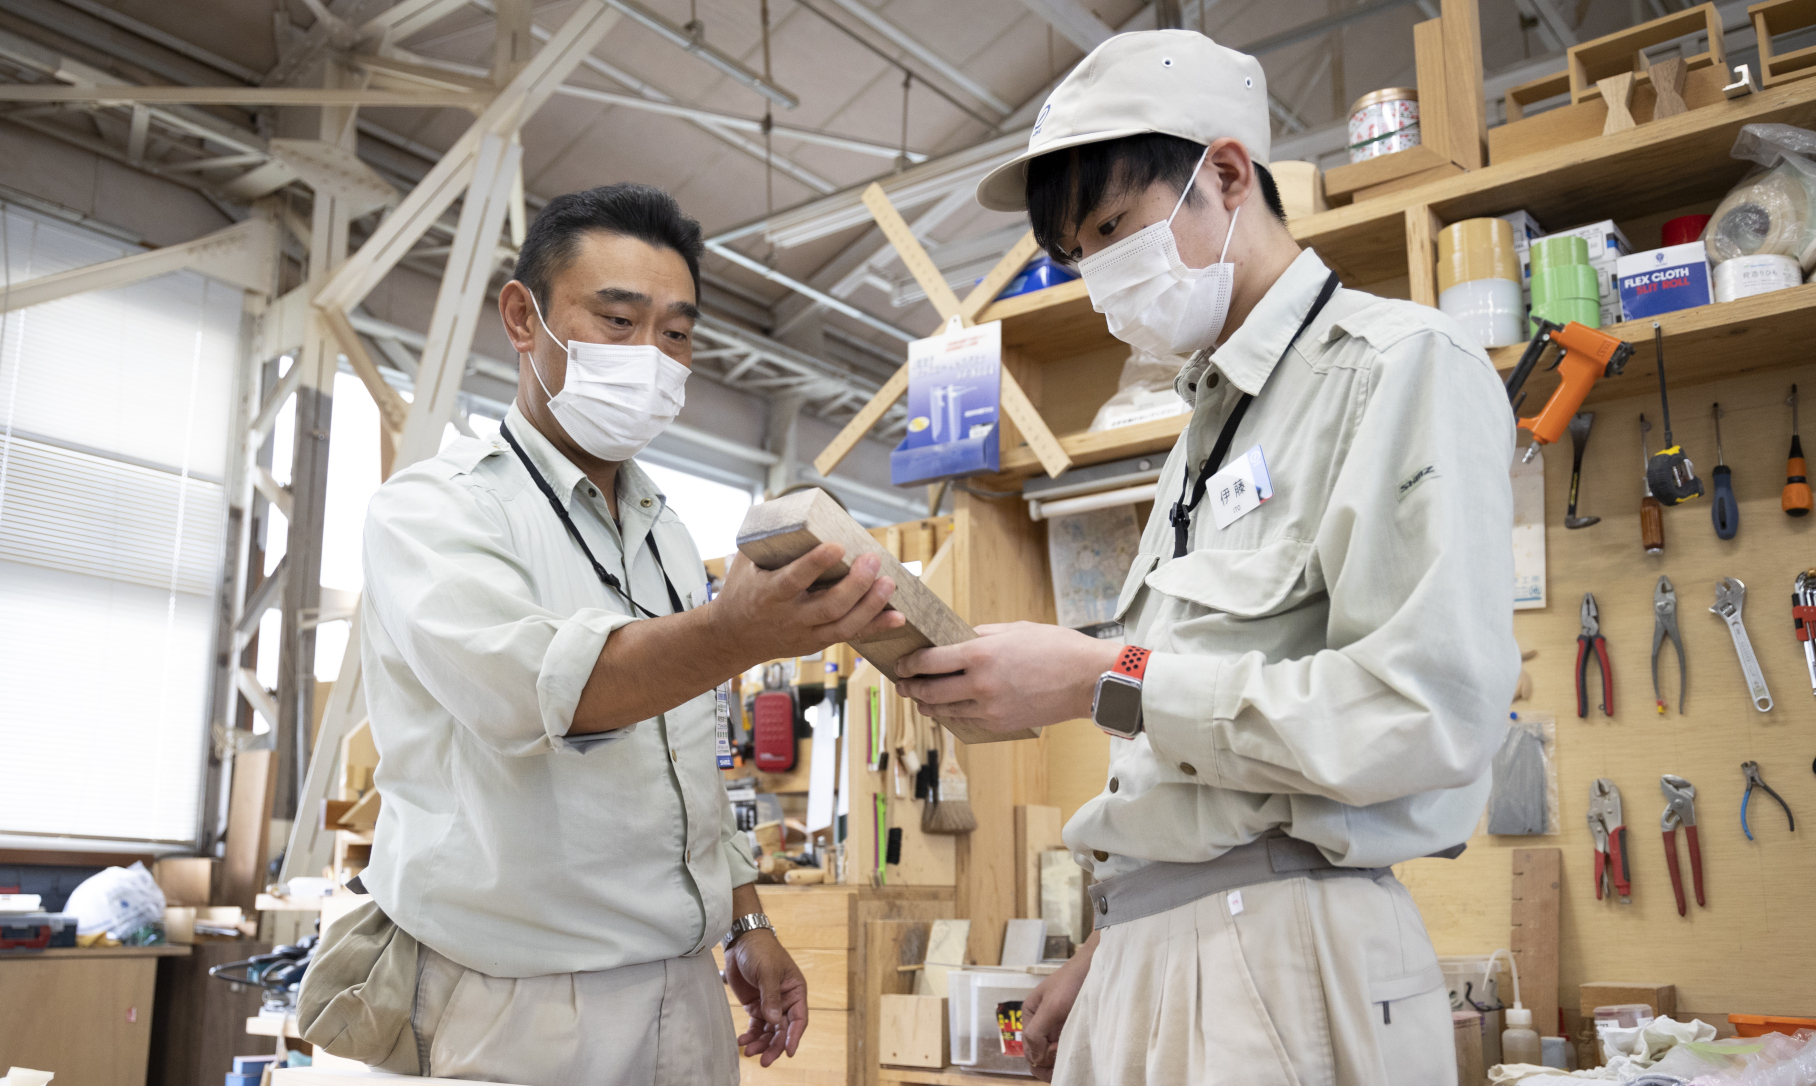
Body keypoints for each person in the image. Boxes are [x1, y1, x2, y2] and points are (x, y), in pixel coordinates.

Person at [895, 31, 1519, 1086]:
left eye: (1110, 229)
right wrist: (1111, 946)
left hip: (1280, 952)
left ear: (1227, 174)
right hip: (1159, 944)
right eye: (1078, 254)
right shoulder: (1205, 432)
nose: (1101, 280)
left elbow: (1425, 713)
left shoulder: (1398, 366)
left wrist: (1097, 678)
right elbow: (1196, 772)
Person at [301, 184, 904, 1085]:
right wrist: (734, 633)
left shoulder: (666, 532)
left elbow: (690, 764)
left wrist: (746, 920)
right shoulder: (434, 510)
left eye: (676, 334)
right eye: (618, 321)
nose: (651, 357)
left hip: (685, 989)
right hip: (517, 1000)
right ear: (523, 317)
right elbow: (535, 695)